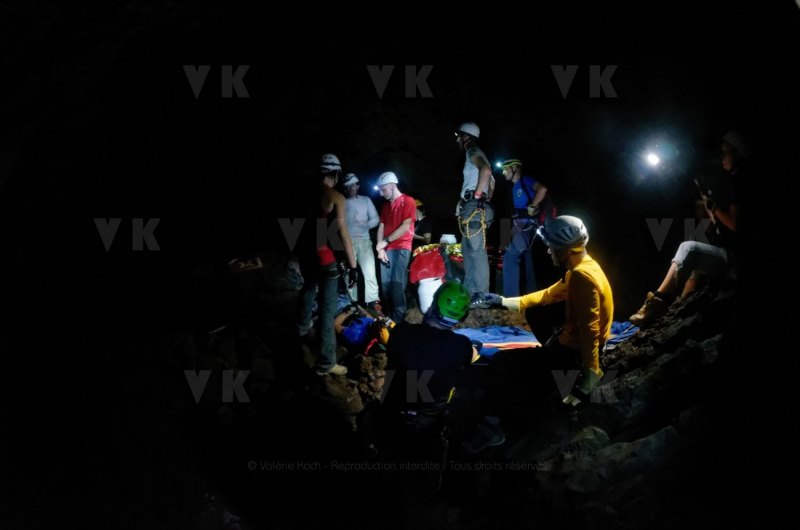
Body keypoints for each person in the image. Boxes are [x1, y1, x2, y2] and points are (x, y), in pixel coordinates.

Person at [484, 215, 613, 403]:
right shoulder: (585, 267)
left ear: (565, 249)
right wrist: (503, 301)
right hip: (569, 345)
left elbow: (589, 327)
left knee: (501, 363)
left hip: (571, 354)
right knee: (536, 310)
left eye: (551, 246)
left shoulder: (582, 276)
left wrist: (590, 372)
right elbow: (547, 295)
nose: (548, 251)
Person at [629, 131, 743, 328]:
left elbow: (736, 225)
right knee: (693, 265)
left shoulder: (740, 183)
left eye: (725, 152)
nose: (722, 157)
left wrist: (715, 208)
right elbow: (706, 219)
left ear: (737, 153)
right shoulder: (729, 181)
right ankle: (678, 310)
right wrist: (707, 208)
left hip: (736, 257)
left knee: (688, 249)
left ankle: (657, 303)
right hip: (727, 250)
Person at [380, 281, 480, 456]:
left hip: (390, 418)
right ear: (461, 317)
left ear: (433, 304)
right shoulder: (461, 346)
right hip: (428, 427)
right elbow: (471, 356)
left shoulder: (401, 332)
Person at [296, 153, 358, 376]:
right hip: (326, 260)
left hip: (307, 256)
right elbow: (341, 232)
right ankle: (326, 363)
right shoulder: (336, 197)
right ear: (335, 174)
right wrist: (352, 264)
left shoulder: (306, 195)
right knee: (327, 310)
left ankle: (302, 328)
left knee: (308, 288)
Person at [454, 122, 495, 308]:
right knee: (468, 251)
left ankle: (483, 297)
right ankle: (470, 295)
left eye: (459, 136)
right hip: (472, 205)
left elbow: (486, 172)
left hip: (474, 205)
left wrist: (477, 196)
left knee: (476, 252)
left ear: (466, 137)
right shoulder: (478, 154)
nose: (457, 139)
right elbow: (492, 183)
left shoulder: (473, 151)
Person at [500, 158, 550, 296]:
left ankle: (511, 301)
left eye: (506, 169)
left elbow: (542, 189)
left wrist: (533, 206)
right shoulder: (512, 187)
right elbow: (507, 212)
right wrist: (504, 239)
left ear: (515, 168)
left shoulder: (525, 180)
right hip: (515, 225)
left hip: (526, 225)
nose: (503, 173)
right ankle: (531, 297)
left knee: (511, 257)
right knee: (526, 259)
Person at [375, 172, 416, 322]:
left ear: (392, 185)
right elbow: (381, 227)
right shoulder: (385, 206)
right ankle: (389, 319)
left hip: (401, 247)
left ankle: (398, 323)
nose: (380, 193)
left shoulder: (408, 201)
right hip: (386, 249)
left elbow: (406, 226)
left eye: (383, 189)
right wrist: (380, 249)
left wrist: (385, 241)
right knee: (385, 287)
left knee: (396, 286)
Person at [342, 173, 381, 308]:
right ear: (345, 188)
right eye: (348, 186)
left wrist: (366, 225)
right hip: (348, 241)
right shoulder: (342, 202)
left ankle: (373, 301)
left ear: (358, 186)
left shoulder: (366, 200)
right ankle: (352, 303)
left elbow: (375, 219)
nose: (351, 188)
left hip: (364, 240)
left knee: (369, 272)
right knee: (349, 273)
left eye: (354, 185)